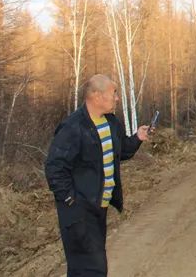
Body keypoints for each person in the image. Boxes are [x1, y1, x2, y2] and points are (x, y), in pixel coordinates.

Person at [45, 74, 150, 276]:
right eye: (114, 93)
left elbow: (121, 151)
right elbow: (54, 168)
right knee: (93, 269)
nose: (117, 98)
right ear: (96, 95)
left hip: (97, 209)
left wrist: (138, 137)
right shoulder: (73, 127)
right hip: (79, 211)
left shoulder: (110, 122)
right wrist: (70, 201)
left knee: (87, 269)